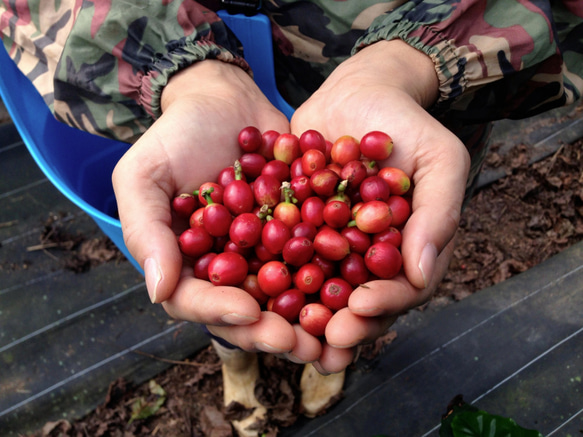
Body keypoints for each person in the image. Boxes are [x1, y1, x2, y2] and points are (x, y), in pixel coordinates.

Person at [2, 1, 582, 435]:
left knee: (365, 280)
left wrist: (416, 56)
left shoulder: (329, 199)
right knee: (222, 293)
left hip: (428, 82)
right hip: (193, 49)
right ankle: (238, 361)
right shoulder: (262, 194)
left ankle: (328, 361)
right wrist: (178, 68)